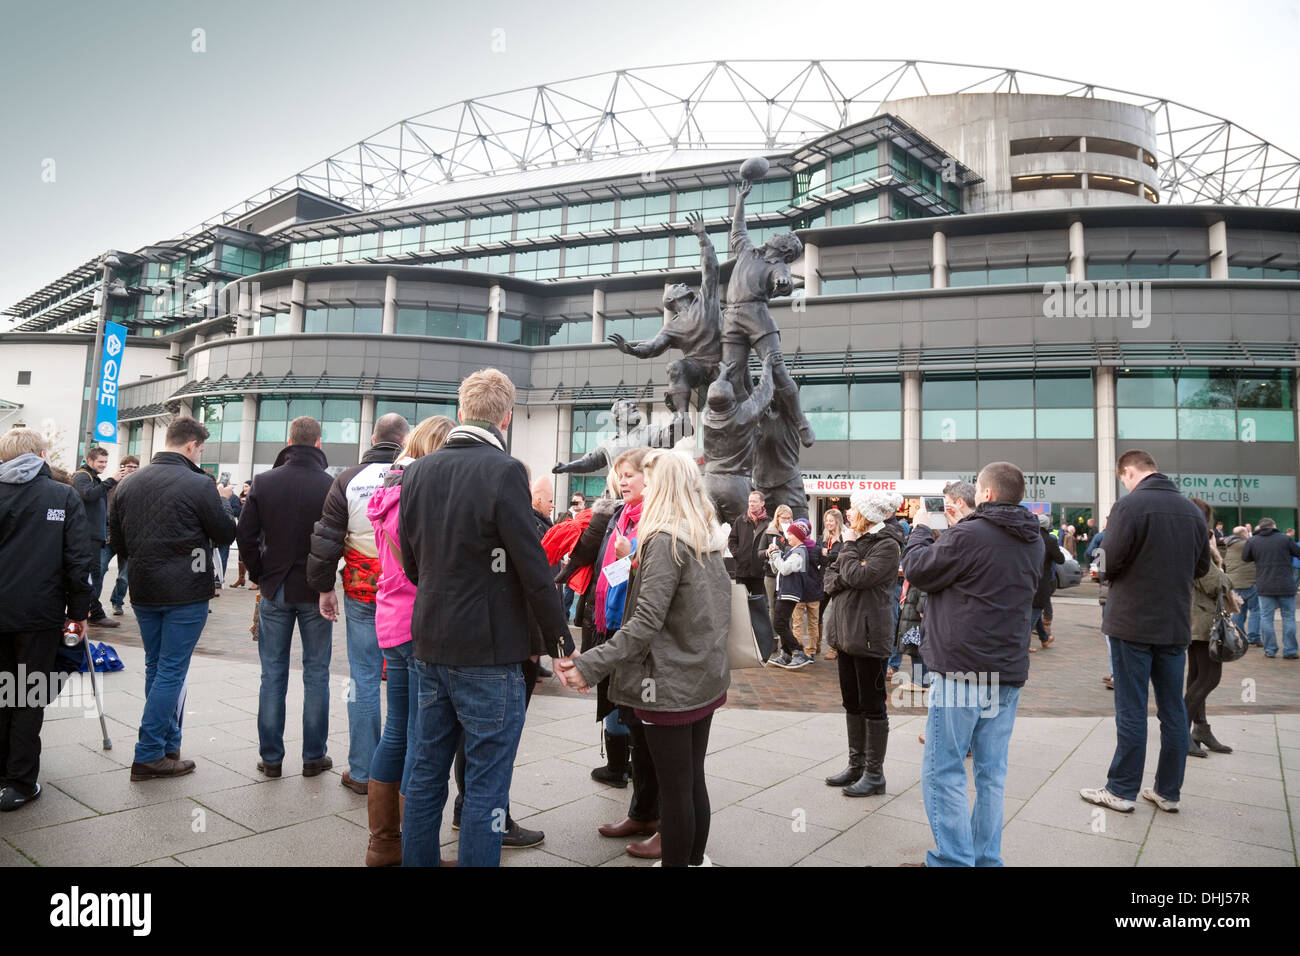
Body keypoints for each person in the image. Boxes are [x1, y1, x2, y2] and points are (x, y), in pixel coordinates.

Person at [397, 369, 568, 867]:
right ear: (507, 416)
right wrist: (561, 643)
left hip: (428, 642)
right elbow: (533, 568)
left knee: (426, 772)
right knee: (488, 782)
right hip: (489, 654)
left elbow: (412, 562)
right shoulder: (504, 470)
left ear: (460, 409)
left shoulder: (419, 470)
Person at [558, 449, 732, 868]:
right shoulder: (704, 534)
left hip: (667, 682)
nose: (637, 490)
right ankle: (693, 861)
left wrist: (588, 664)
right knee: (691, 782)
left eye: (648, 482)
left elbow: (644, 623)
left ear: (664, 488)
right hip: (702, 677)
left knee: (675, 790)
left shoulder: (664, 540)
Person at [901, 462, 1043, 866]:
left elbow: (917, 570)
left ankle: (954, 860)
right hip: (1007, 670)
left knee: (943, 768)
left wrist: (922, 529)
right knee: (991, 773)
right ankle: (984, 858)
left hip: (964, 668)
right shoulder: (1032, 538)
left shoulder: (968, 534)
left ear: (986, 494)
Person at [1080, 450, 1210, 815]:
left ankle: (1121, 790)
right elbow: (1201, 567)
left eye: (1123, 478)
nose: (1124, 483)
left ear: (1129, 472)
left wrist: (1102, 570)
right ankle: (1168, 791)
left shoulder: (1129, 506)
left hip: (1131, 623)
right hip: (1174, 625)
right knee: (1172, 709)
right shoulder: (1191, 511)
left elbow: (1108, 559)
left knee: (1132, 706)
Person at [110, 417, 237, 781]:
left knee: (157, 666)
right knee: (171, 670)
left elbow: (117, 540)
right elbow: (225, 533)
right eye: (201, 449)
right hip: (185, 591)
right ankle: (148, 753)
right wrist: (225, 504)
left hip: (144, 587)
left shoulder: (129, 482)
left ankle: (168, 743)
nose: (200, 455)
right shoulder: (199, 483)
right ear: (190, 445)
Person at [364, 414, 455, 866]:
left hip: (390, 618)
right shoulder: (421, 497)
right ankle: (419, 851)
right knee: (422, 739)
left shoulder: (389, 491)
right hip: (420, 623)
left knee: (397, 730)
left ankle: (383, 844)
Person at [307, 412, 411, 794]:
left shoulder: (347, 479)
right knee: (411, 680)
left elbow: (327, 538)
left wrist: (323, 587)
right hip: (406, 593)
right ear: (404, 440)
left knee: (364, 677)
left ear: (371, 438)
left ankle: (364, 770)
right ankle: (405, 775)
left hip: (362, 589)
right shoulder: (413, 475)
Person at [572, 448, 663, 859]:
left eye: (630, 475)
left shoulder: (657, 520)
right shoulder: (617, 517)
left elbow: (658, 585)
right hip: (610, 630)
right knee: (627, 717)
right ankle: (641, 812)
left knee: (647, 730)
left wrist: (632, 557)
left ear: (651, 478)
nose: (623, 481)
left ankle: (657, 817)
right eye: (619, 475)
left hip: (640, 638)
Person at [235, 416, 335, 782]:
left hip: (275, 587)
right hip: (315, 589)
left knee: (273, 674)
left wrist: (261, 573)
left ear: (288, 440)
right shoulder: (329, 485)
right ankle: (313, 756)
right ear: (319, 444)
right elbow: (335, 539)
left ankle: (271, 758)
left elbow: (245, 536)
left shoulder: (264, 481)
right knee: (317, 673)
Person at [0, 427, 94, 811]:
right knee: (26, 695)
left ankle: (9, 774)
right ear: (41, 454)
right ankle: (20, 780)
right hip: (40, 615)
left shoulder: (62, 495)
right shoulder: (62, 495)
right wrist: (79, 612)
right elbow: (78, 560)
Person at [822, 492, 905, 796]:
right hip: (845, 633)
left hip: (870, 637)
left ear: (867, 514)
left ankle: (874, 774)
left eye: (854, 507)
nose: (849, 511)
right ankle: (856, 766)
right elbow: (831, 577)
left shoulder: (886, 543)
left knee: (872, 705)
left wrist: (847, 548)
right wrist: (849, 563)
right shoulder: (856, 542)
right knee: (851, 701)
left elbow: (858, 575)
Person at [608, 212, 721, 425]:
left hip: (723, 361)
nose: (684, 285)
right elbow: (652, 346)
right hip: (696, 367)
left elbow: (711, 269)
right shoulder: (673, 326)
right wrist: (631, 349)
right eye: (678, 286)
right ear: (671, 298)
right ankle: (682, 418)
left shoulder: (706, 301)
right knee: (675, 367)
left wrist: (702, 237)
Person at [1185, 499, 1239, 758]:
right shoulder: (1197, 542)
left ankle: (1201, 729)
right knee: (1209, 678)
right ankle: (1180, 731)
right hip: (1204, 619)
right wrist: (1220, 563)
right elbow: (1214, 583)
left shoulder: (1183, 538)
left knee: (1196, 676)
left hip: (1193, 617)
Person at [71, 446, 123, 629]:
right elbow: (89, 495)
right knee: (90, 577)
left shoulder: (93, 477)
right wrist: (111, 481)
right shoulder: (82, 476)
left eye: (105, 462)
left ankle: (92, 612)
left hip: (94, 536)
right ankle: (94, 613)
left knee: (94, 576)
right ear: (90, 460)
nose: (103, 465)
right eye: (100, 462)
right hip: (86, 537)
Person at [1241, 517, 1300, 659]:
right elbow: (1298, 553)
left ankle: (1270, 650)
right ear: (1274, 526)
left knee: (1266, 618)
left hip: (1264, 584)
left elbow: (1245, 558)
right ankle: (1290, 651)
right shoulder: (1285, 539)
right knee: (1288, 617)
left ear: (1260, 527)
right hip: (1285, 584)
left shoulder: (1253, 541)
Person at [767, 518, 814, 669]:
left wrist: (775, 554)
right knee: (783, 623)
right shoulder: (792, 550)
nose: (788, 537)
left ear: (799, 536)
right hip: (784, 591)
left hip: (790, 592)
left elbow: (785, 569)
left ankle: (798, 652)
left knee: (779, 624)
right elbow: (777, 569)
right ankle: (786, 654)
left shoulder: (800, 551)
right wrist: (774, 555)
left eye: (791, 534)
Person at [106, 455, 139, 615]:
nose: (132, 469)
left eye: (135, 467)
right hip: (109, 536)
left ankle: (117, 601)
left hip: (127, 537)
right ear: (122, 467)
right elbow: (107, 510)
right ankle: (91, 606)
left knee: (124, 576)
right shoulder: (111, 484)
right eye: (129, 466)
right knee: (99, 570)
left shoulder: (138, 485)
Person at [1029, 513, 1065, 652]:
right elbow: (1060, 559)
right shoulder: (1049, 540)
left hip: (1029, 578)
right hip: (1042, 580)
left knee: (1035, 608)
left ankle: (1044, 638)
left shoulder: (1029, 537)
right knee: (1037, 609)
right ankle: (1023, 643)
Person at [1222, 526, 1260, 647]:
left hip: (1233, 583)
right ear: (1244, 534)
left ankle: (1239, 635)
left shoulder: (1226, 546)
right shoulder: (1249, 544)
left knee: (1238, 611)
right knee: (1255, 610)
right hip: (1250, 582)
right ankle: (1253, 637)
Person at [728, 490, 769, 597]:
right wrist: (738, 555)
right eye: (750, 501)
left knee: (759, 605)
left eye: (754, 501)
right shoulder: (740, 520)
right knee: (742, 605)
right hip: (742, 571)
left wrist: (765, 560)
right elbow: (732, 540)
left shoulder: (769, 522)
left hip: (760, 572)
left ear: (762, 503)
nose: (751, 504)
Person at [818, 508, 844, 661]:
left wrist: (828, 555)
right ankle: (816, 644)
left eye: (831, 521)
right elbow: (819, 558)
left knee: (837, 613)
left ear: (837, 522)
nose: (828, 523)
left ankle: (834, 648)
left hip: (838, 580)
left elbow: (840, 558)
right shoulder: (823, 538)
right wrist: (827, 556)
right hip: (823, 579)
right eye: (826, 521)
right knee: (818, 611)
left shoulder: (843, 538)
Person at [762, 504, 794, 627]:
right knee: (772, 608)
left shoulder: (793, 533)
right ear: (777, 518)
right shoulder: (769, 532)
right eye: (784, 518)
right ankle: (774, 638)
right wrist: (768, 551)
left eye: (789, 518)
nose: (787, 520)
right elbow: (759, 553)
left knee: (788, 608)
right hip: (771, 574)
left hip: (788, 574)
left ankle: (787, 637)